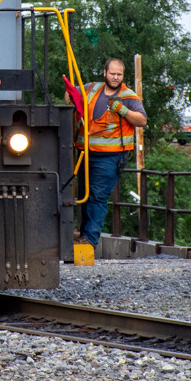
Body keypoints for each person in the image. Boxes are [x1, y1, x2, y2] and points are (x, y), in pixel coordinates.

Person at [73, 58, 147, 247]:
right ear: (104, 72)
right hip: (85, 153)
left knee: (97, 195)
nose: (115, 77)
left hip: (110, 157)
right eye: (112, 73)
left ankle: (89, 239)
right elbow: (71, 93)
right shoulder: (91, 88)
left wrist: (123, 110)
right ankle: (83, 235)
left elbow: (141, 120)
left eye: (119, 74)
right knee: (83, 194)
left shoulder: (128, 96)